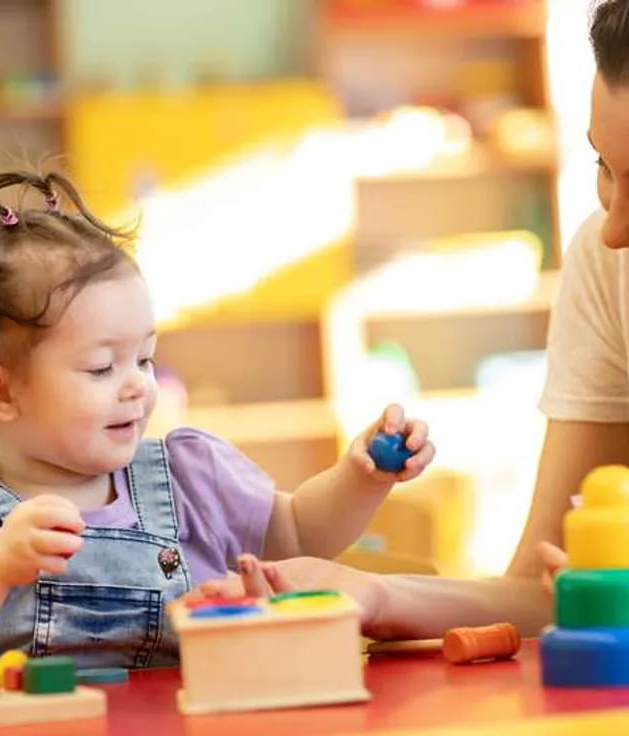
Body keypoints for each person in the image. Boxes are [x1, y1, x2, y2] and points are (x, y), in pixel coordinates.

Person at [192, 0, 629, 643]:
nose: (613, 226)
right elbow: (545, 595)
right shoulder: (605, 263)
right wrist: (376, 594)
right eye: (603, 167)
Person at [0, 170, 435, 670]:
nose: (137, 385)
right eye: (102, 367)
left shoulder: (190, 477)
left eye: (144, 358)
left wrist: (362, 477)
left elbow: (299, 535)